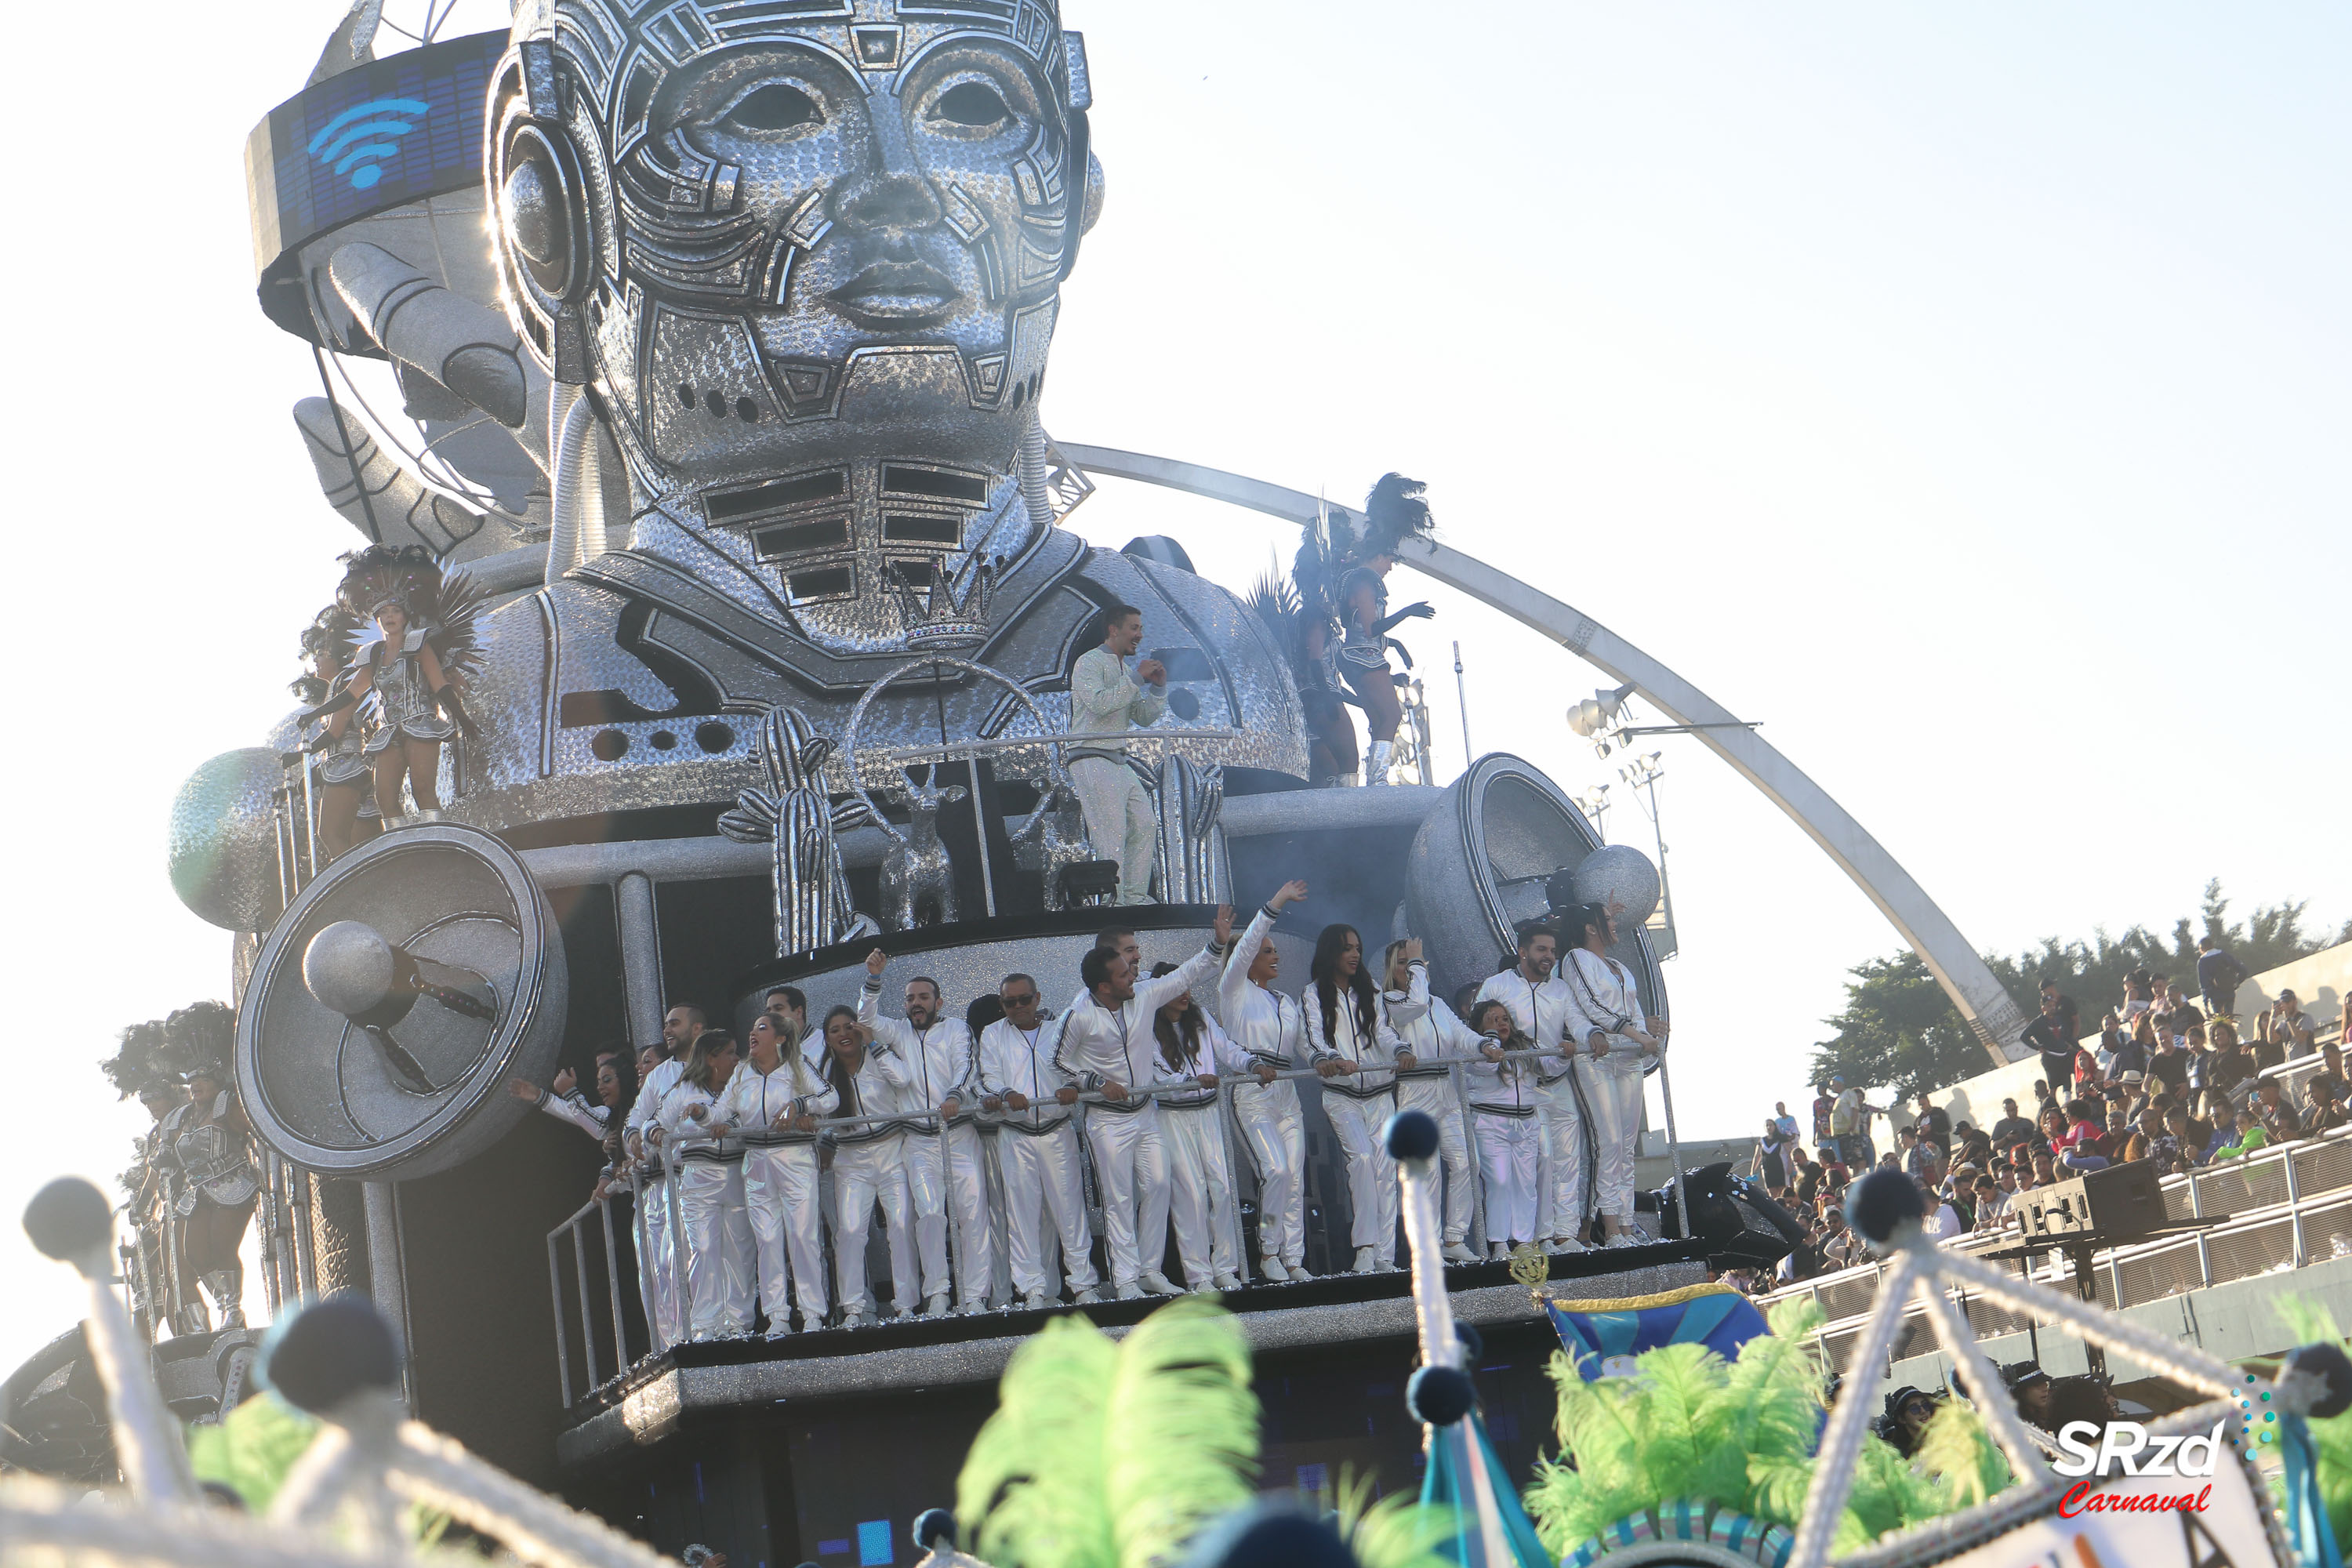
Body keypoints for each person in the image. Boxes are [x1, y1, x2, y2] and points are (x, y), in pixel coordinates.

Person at [1054, 903, 1237, 1300]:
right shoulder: (1079, 1014)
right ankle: (1124, 1282)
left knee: (1157, 1185)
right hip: (1106, 1121)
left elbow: (1187, 974)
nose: (1132, 975)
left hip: (1145, 1114)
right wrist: (1095, 1082)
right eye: (1123, 973)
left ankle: (1150, 1269)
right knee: (1118, 1200)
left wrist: (1216, 944)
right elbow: (1058, 1061)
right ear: (1104, 986)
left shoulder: (1144, 994)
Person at [859, 954, 993, 1317]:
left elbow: (966, 1068)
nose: (915, 1004)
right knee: (930, 1215)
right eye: (909, 999)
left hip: (960, 1135)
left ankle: (975, 1295)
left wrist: (955, 1097)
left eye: (922, 997)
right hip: (918, 1142)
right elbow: (866, 1020)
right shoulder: (898, 1031)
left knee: (973, 1214)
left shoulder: (956, 1029)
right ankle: (938, 1294)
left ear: (939, 1002)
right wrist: (873, 979)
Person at [706, 1014, 836, 1338]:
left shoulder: (796, 1065)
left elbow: (830, 1098)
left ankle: (813, 1314)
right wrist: (705, 1117)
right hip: (757, 1162)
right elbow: (721, 1111)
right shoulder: (740, 1072)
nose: (753, 1033)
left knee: (803, 1236)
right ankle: (777, 1315)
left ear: (779, 1039)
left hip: (794, 1158)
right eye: (752, 1028)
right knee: (767, 1240)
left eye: (762, 1028)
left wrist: (800, 1105)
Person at [977, 974, 1102, 1308]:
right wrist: (1007, 1093)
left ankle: (1083, 1286)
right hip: (1015, 1135)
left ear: (1037, 998)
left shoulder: (1058, 1030)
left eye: (1024, 1000)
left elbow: (1076, 1069)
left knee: (1070, 1212)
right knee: (1022, 1216)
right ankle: (1032, 1290)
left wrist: (1071, 1088)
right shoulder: (992, 1033)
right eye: (1009, 1002)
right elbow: (988, 1075)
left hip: (1057, 1131)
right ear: (1002, 1004)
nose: (1017, 1007)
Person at [1217, 880, 1315, 1282]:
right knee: (1273, 1170)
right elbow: (1249, 940)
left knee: (1294, 1174)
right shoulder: (1233, 989)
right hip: (1251, 1090)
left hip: (1286, 1092)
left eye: (1275, 952)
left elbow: (1307, 1044)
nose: (1275, 956)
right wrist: (1276, 901)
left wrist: (1330, 1058)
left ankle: (1294, 1260)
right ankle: (1268, 1252)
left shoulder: (1284, 1002)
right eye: (1267, 951)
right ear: (1247, 957)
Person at [336, 546, 477, 827]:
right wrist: (318, 716)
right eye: (384, 612)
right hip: (388, 731)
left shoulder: (418, 644)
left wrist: (462, 718)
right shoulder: (372, 654)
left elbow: (440, 685)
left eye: (395, 611)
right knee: (385, 798)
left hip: (421, 722)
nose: (390, 617)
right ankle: (399, 850)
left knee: (423, 790)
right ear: (376, 619)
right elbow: (350, 694)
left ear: (405, 614)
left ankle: (436, 840)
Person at [1558, 899, 1666, 1247]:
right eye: (1607, 920)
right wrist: (1637, 1034)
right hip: (1599, 1058)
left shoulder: (1619, 965)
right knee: (1610, 1142)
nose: (1614, 925)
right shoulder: (1576, 958)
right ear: (1590, 928)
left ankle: (1629, 1225)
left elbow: (1630, 1009)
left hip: (1629, 1058)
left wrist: (1642, 1031)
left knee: (1627, 1146)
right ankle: (1612, 1229)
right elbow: (1593, 1005)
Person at [1476, 924, 1586, 1252]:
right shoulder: (1497, 985)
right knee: (1543, 1159)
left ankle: (1565, 1234)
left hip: (1558, 1080)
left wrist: (1587, 1036)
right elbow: (1478, 1026)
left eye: (1553, 951)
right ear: (1523, 951)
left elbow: (1578, 1021)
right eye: (1542, 950)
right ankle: (1539, 1236)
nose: (1549, 957)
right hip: (1521, 1088)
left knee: (1568, 1159)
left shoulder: (1561, 990)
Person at [1305, 924, 1405, 1272]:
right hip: (1341, 1096)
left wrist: (1401, 1050)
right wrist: (1329, 1059)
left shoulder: (1371, 989)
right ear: (1331, 952)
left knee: (1386, 1172)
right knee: (1361, 1160)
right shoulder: (1313, 993)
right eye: (1347, 948)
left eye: (1358, 948)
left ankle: (1385, 1257)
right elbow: (1314, 1036)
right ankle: (1364, 1248)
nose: (1355, 954)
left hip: (1380, 1094)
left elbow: (1385, 1031)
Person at [1149, 961, 1253, 1290]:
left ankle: (1225, 1267)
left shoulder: (1202, 1018)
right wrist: (1192, 1081)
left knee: (1222, 1189)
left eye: (1186, 986)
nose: (1184, 993)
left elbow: (1227, 1049)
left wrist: (1252, 1062)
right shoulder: (1146, 1029)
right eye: (1176, 988)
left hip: (1208, 1112)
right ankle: (1199, 1276)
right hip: (1172, 1116)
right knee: (1190, 1196)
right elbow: (1159, 1076)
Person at [1330, 475, 1437, 786]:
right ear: (1378, 556)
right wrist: (1409, 612)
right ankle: (1377, 781)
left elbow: (1368, 631)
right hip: (1364, 657)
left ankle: (1375, 779)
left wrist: (1397, 644)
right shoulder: (1364, 581)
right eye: (1389, 560)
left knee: (1380, 720)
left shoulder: (1359, 579)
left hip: (1360, 656)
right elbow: (1370, 627)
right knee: (1390, 716)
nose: (1390, 567)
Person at [1382, 938, 1483, 1263]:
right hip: (1413, 1091)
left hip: (1445, 1087)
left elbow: (1460, 1034)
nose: (1410, 968)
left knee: (1468, 1161)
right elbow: (1417, 1004)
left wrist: (1484, 1046)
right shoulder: (1387, 1002)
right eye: (1403, 962)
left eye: (1415, 961)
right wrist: (1417, 968)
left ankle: (1454, 1237)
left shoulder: (1438, 1003)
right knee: (1426, 1173)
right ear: (1391, 970)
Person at [818, 1007, 918, 1329]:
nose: (843, 1034)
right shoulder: (823, 1073)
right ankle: (854, 1309)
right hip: (851, 1160)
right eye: (835, 1030)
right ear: (828, 1039)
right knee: (849, 1232)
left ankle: (906, 1305)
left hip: (892, 1151)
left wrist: (875, 1044)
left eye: (849, 1026)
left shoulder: (878, 1057)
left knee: (901, 1225)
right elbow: (819, 1119)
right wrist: (825, 1146)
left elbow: (904, 1079)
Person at [1065, 604, 1168, 905]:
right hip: (1091, 758)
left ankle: (1134, 895)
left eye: (1140, 628)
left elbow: (1142, 715)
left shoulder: (1124, 670)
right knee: (1111, 833)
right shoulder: (1089, 662)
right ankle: (1116, 901)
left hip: (1117, 758)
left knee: (1144, 823)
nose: (1140, 634)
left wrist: (1158, 690)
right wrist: (1137, 679)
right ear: (1114, 629)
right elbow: (1098, 704)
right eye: (1134, 628)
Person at [624, 1004, 709, 1348]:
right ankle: (674, 1342)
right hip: (670, 1181)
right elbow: (636, 1118)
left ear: (697, 1029)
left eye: (675, 1024)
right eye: (665, 1025)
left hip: (713, 1170)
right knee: (665, 1270)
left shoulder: (717, 1062)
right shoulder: (660, 1076)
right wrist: (634, 1137)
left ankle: (712, 1331)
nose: (667, 1030)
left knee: (709, 1256)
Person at [658, 1030, 751, 1340]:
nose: (737, 1058)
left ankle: (738, 1324)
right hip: (698, 1179)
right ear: (711, 1058)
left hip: (738, 1175)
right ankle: (704, 1326)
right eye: (731, 1052)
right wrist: (654, 1135)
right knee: (704, 1249)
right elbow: (653, 1124)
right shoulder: (683, 1090)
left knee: (739, 1251)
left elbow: (750, 1118)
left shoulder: (741, 1087)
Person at [160, 1058, 260, 1333]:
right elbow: (169, 1155)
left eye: (203, 1080)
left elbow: (254, 1127)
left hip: (233, 1182)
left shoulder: (228, 1105)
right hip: (197, 1191)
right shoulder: (180, 1117)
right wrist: (164, 1159)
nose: (196, 1085)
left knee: (222, 1247)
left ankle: (234, 1310)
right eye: (192, 1081)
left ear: (217, 1083)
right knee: (195, 1253)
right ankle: (225, 1304)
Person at [291, 604, 379, 861]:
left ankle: (356, 891)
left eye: (321, 653)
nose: (316, 661)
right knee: (360, 846)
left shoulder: (345, 681)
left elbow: (336, 731)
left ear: (335, 654)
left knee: (330, 834)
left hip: (347, 767)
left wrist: (300, 757)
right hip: (349, 767)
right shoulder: (337, 685)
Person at [1464, 998, 1543, 1257]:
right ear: (1480, 1025)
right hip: (1490, 1121)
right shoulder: (1474, 1049)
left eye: (1504, 1019)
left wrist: (1565, 1052)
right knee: (1499, 1181)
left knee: (1526, 1182)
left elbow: (1552, 1068)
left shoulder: (1524, 1048)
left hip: (1526, 1123)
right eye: (1493, 1019)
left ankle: (1523, 1241)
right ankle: (1498, 1243)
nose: (1501, 1023)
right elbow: (1488, 1066)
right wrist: (1489, 1038)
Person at [2020, 996, 2077, 1099]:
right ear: (2043, 1008)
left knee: (2067, 1081)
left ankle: (2068, 1103)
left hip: (2063, 1055)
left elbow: (2065, 1035)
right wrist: (2037, 1047)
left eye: (2054, 1005)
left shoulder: (2059, 1019)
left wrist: (2071, 1045)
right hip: (2050, 1057)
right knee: (2053, 1086)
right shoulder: (2037, 1023)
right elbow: (2024, 1037)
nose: (2052, 1008)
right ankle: (2053, 1107)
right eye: (2049, 1005)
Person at [2259, 991, 2318, 1065]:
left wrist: (2288, 1018)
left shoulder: (2305, 1018)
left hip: (2308, 1066)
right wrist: (2273, 1018)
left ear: (2295, 1002)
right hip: (2291, 1068)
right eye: (2283, 1003)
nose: (2286, 1006)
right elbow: (2271, 1040)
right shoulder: (2283, 1024)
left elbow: (2300, 1038)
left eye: (2288, 1002)